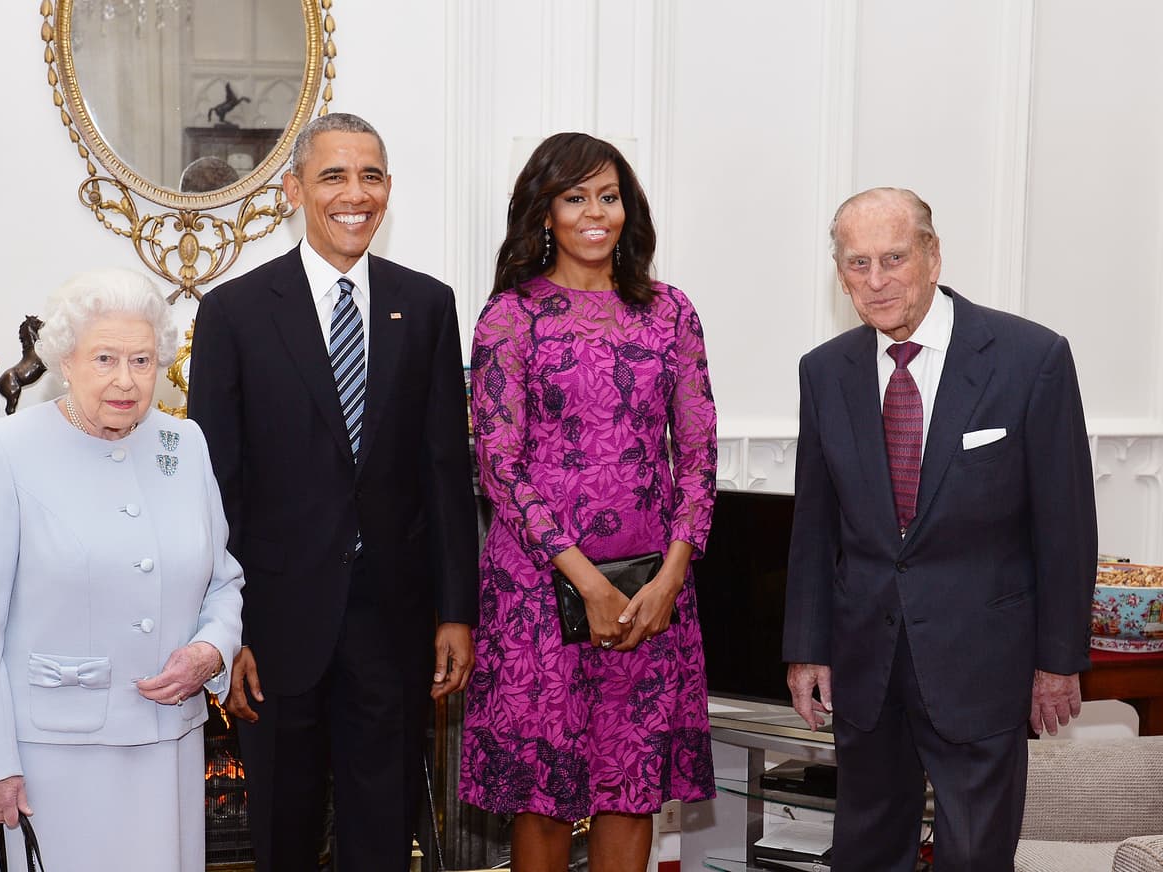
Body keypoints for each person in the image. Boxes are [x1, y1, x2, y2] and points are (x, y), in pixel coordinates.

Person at [187, 112, 479, 872]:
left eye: (371, 175)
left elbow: (445, 469)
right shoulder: (234, 312)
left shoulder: (427, 305)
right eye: (334, 176)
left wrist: (455, 611)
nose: (356, 194)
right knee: (283, 831)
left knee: (383, 834)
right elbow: (215, 488)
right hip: (274, 625)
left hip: (393, 622)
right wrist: (227, 627)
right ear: (294, 190)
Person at [783, 187, 1097, 871]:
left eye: (893, 257)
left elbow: (1066, 523)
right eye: (857, 263)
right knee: (864, 853)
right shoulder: (824, 372)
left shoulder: (1029, 358)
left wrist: (1058, 659)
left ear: (931, 255)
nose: (876, 280)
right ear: (840, 273)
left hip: (984, 661)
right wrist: (806, 649)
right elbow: (815, 526)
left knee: (975, 857)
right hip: (866, 664)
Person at [459, 132, 719, 872]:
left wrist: (669, 579)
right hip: (539, 591)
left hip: (652, 595)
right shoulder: (509, 317)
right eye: (575, 197)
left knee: (630, 788)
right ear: (545, 213)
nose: (594, 213)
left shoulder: (670, 313)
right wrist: (587, 580)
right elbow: (499, 466)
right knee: (543, 799)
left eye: (608, 196)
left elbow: (698, 457)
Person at [0, 268, 245, 872]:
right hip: (50, 758)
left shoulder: (184, 445)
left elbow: (224, 581)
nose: (125, 380)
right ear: (66, 360)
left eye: (141, 361)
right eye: (105, 358)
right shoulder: (8, 450)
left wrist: (213, 650)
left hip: (169, 747)